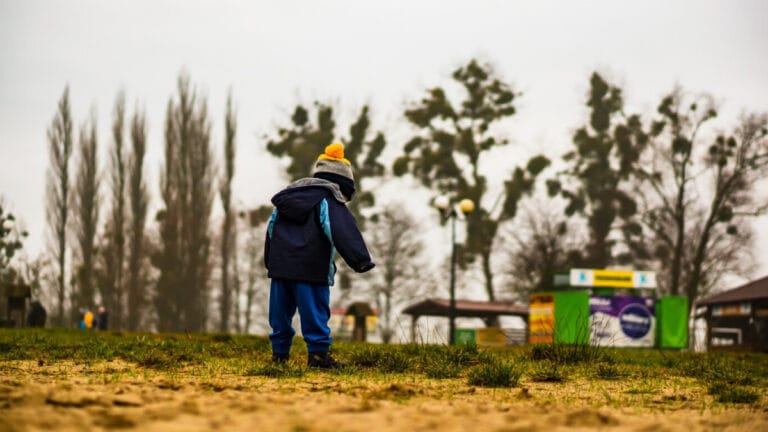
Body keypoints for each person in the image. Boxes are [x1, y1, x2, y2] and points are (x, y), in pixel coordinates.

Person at [264, 142, 375, 369]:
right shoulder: (328, 199)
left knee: (280, 314)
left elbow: (271, 230)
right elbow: (343, 230)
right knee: (315, 312)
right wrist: (360, 260)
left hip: (281, 267)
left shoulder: (286, 200)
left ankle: (279, 355)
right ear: (342, 184)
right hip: (311, 268)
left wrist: (271, 262)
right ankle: (317, 356)